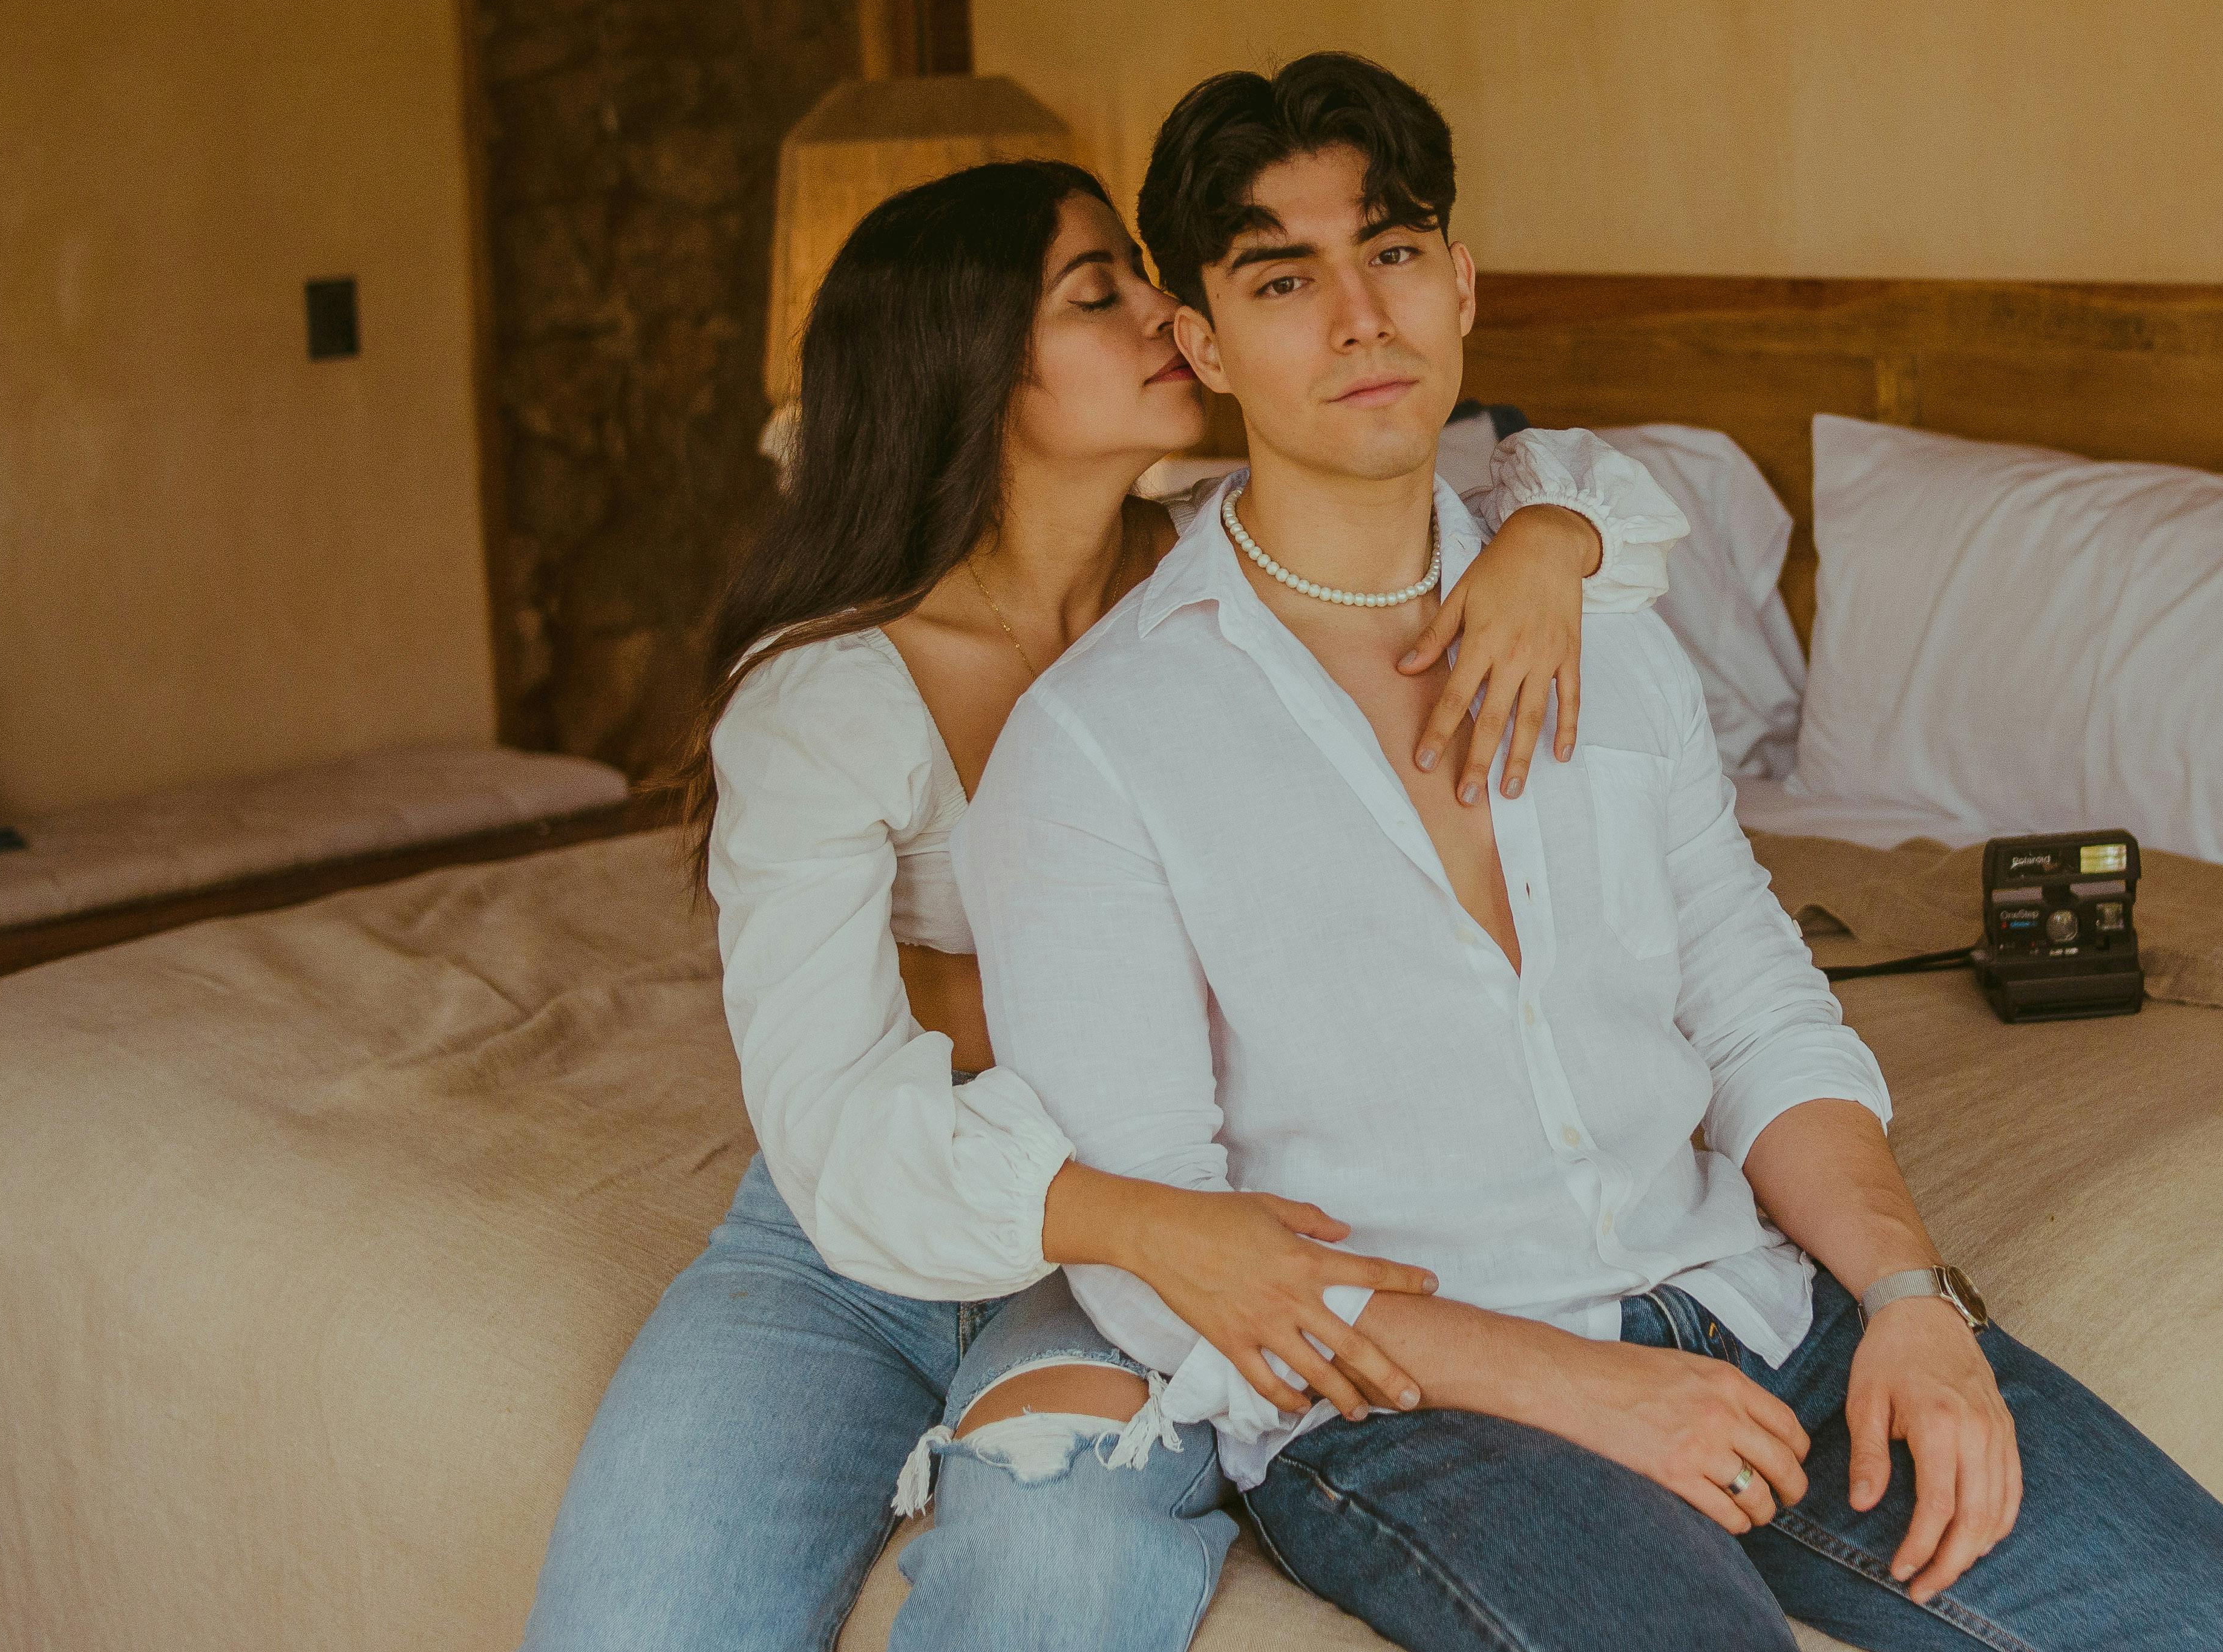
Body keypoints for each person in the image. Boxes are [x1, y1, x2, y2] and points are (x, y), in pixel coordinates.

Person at [959, 54, 2223, 1652]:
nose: (1357, 317)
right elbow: (1155, 1253)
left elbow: (1753, 1008)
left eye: (1392, 252)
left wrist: (1909, 1297)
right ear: (1199, 339)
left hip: (1759, 1312)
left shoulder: (1612, 641)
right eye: (1283, 277)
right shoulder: (1098, 741)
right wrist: (1594, 1392)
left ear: (1460, 282)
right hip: (1410, 1399)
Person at [517, 155, 1691, 1652]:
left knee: (1059, 1554)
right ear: (976, 362)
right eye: (1104, 292)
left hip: (1147, 1241)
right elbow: (832, 1126)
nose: (1168, 310)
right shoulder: (823, 696)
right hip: (868, 1244)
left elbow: (1576, 483)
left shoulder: (1234, 565)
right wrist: (1150, 1225)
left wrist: (1549, 545)